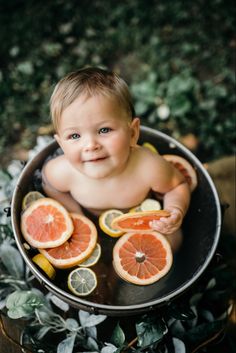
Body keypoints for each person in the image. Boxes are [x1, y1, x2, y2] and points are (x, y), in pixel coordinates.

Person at [42, 67, 191, 249]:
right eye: (74, 136)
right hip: (95, 226)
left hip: (143, 222)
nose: (90, 145)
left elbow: (177, 185)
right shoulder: (61, 172)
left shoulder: (148, 167)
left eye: (104, 130)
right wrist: (75, 214)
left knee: (173, 237)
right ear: (61, 144)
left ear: (133, 133)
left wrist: (175, 210)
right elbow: (49, 185)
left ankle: (152, 275)